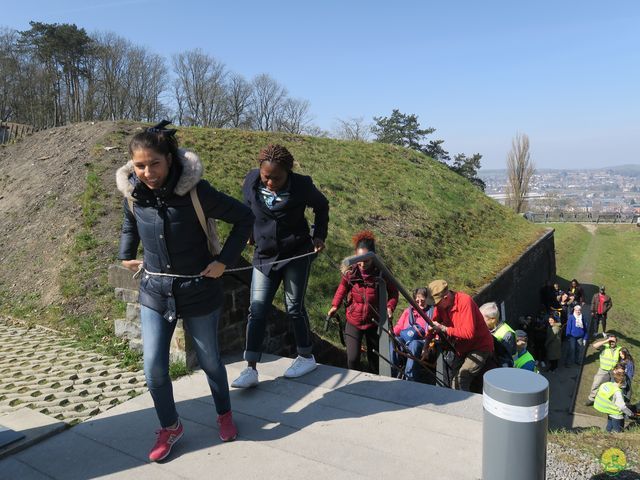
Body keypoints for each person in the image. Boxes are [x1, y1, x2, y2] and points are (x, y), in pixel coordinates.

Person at [117, 121, 254, 461]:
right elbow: (130, 223)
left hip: (198, 289)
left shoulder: (196, 191)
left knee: (209, 361)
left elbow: (244, 218)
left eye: (154, 164)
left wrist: (224, 261)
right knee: (153, 367)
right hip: (154, 290)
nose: (147, 172)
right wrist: (126, 255)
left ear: (170, 159)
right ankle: (170, 426)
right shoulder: (133, 195)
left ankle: (224, 413)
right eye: (140, 165)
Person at [231, 144, 329, 388]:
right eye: (267, 176)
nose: (270, 182)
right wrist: (250, 230)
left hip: (296, 253)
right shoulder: (252, 180)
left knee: (294, 306)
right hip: (264, 256)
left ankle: (306, 356)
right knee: (257, 308)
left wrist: (319, 236)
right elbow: (246, 206)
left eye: (277, 178)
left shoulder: (302, 185)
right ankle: (250, 368)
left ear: (288, 173)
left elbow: (322, 206)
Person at [327, 231, 399, 374]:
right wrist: (335, 305)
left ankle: (372, 389)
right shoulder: (350, 271)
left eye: (366, 260)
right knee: (352, 358)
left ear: (373, 257)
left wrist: (390, 307)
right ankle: (354, 388)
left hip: (374, 322)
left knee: (375, 361)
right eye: (359, 259)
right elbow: (342, 288)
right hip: (353, 320)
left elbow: (393, 293)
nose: (362, 263)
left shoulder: (381, 272)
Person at [425, 280, 494, 391]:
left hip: (479, 347)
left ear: (446, 297)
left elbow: (468, 333)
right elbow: (433, 326)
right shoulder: (441, 306)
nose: (435, 306)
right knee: (454, 379)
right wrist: (426, 346)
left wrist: (444, 328)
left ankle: (462, 406)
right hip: (462, 348)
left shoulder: (465, 301)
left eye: (437, 303)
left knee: (461, 379)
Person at [391, 287, 433, 381]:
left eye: (422, 300)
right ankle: (392, 371)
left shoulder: (432, 312)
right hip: (406, 340)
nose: (420, 303)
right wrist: (391, 333)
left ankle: (410, 376)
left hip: (423, 342)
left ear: (427, 299)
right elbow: (399, 327)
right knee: (396, 340)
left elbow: (434, 332)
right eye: (417, 301)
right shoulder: (408, 311)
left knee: (414, 344)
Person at [586, 335, 622, 405]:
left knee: (611, 387)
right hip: (603, 370)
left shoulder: (619, 349)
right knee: (596, 384)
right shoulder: (604, 346)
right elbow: (594, 346)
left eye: (613, 341)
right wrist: (606, 340)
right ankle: (591, 399)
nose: (611, 343)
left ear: (616, 342)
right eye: (610, 341)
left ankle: (605, 400)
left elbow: (624, 357)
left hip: (613, 372)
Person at [479, 301, 515, 367]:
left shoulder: (507, 334)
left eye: (482, 319)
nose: (479, 321)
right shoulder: (487, 329)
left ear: (493, 319)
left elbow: (505, 360)